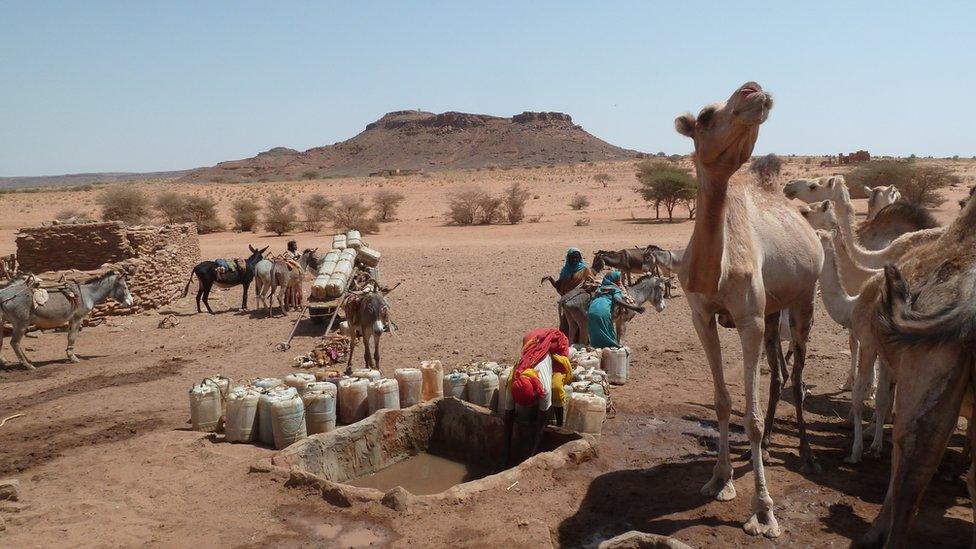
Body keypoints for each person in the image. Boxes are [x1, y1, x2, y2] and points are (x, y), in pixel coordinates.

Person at [502, 328, 574, 466]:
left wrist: (532, 456)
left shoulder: (544, 388)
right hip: (530, 341)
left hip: (552, 347)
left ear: (537, 393)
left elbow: (542, 423)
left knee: (557, 387)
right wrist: (505, 453)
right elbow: (508, 418)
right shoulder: (513, 384)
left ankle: (560, 426)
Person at [586, 270, 645, 348]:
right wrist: (635, 308)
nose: (619, 282)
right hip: (603, 312)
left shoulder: (600, 288)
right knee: (609, 338)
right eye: (617, 279)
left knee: (595, 335)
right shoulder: (614, 289)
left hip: (591, 311)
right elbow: (617, 300)